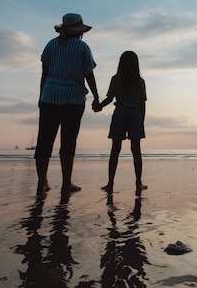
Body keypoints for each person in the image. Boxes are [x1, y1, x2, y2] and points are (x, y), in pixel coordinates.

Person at [34, 13, 100, 194]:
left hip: (49, 98)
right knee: (68, 141)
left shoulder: (51, 45)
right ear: (79, 31)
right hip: (73, 99)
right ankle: (66, 183)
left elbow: (44, 74)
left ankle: (42, 182)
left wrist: (41, 97)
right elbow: (89, 74)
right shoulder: (82, 47)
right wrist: (96, 97)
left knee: (44, 141)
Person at [93, 50, 147, 193]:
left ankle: (110, 183)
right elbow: (142, 103)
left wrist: (99, 106)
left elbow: (110, 98)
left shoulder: (116, 79)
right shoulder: (140, 81)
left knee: (115, 149)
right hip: (135, 114)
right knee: (136, 150)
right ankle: (138, 183)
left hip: (120, 113)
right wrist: (142, 120)